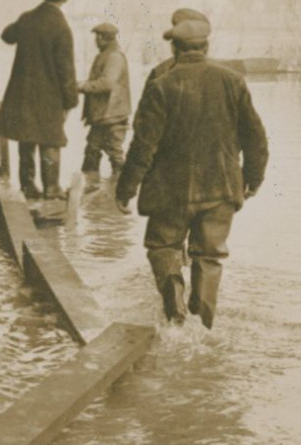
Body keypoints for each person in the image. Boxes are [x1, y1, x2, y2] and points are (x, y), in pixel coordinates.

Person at [115, 17, 268, 329]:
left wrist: (125, 190)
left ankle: (175, 305)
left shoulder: (161, 85)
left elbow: (143, 147)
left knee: (163, 247)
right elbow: (256, 137)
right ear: (206, 45)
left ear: (175, 48)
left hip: (169, 191)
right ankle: (205, 321)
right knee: (210, 255)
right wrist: (252, 179)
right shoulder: (232, 81)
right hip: (221, 187)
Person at [0, 0, 78, 201]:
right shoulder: (61, 27)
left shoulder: (27, 18)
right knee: (50, 140)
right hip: (49, 95)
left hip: (22, 93)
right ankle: (51, 188)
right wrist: (71, 100)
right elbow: (66, 69)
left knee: (26, 138)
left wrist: (21, 25)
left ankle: (28, 186)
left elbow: (6, 36)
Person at [79, 21, 131, 178]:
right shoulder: (106, 55)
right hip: (103, 115)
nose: (95, 40)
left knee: (114, 151)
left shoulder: (114, 56)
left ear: (103, 38)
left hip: (111, 115)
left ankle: (119, 189)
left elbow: (107, 83)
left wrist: (81, 86)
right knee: (92, 151)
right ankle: (91, 187)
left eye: (97, 37)